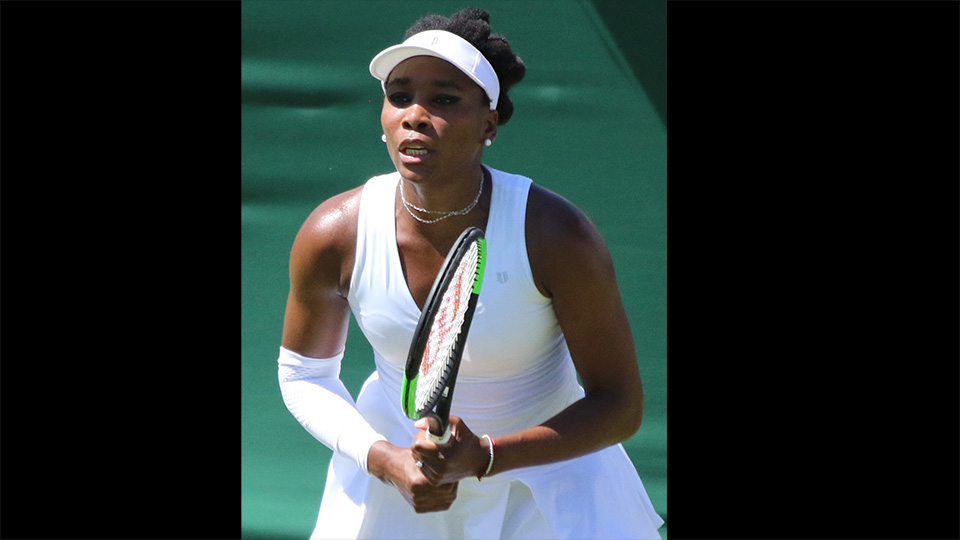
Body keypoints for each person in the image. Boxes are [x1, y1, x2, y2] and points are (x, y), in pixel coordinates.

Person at [278, 7, 663, 539]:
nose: (415, 115)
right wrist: (385, 458)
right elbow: (304, 376)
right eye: (399, 96)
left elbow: (619, 405)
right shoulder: (334, 233)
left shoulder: (556, 235)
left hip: (549, 483)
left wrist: (485, 457)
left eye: (444, 100)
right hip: (397, 481)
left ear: (489, 125)